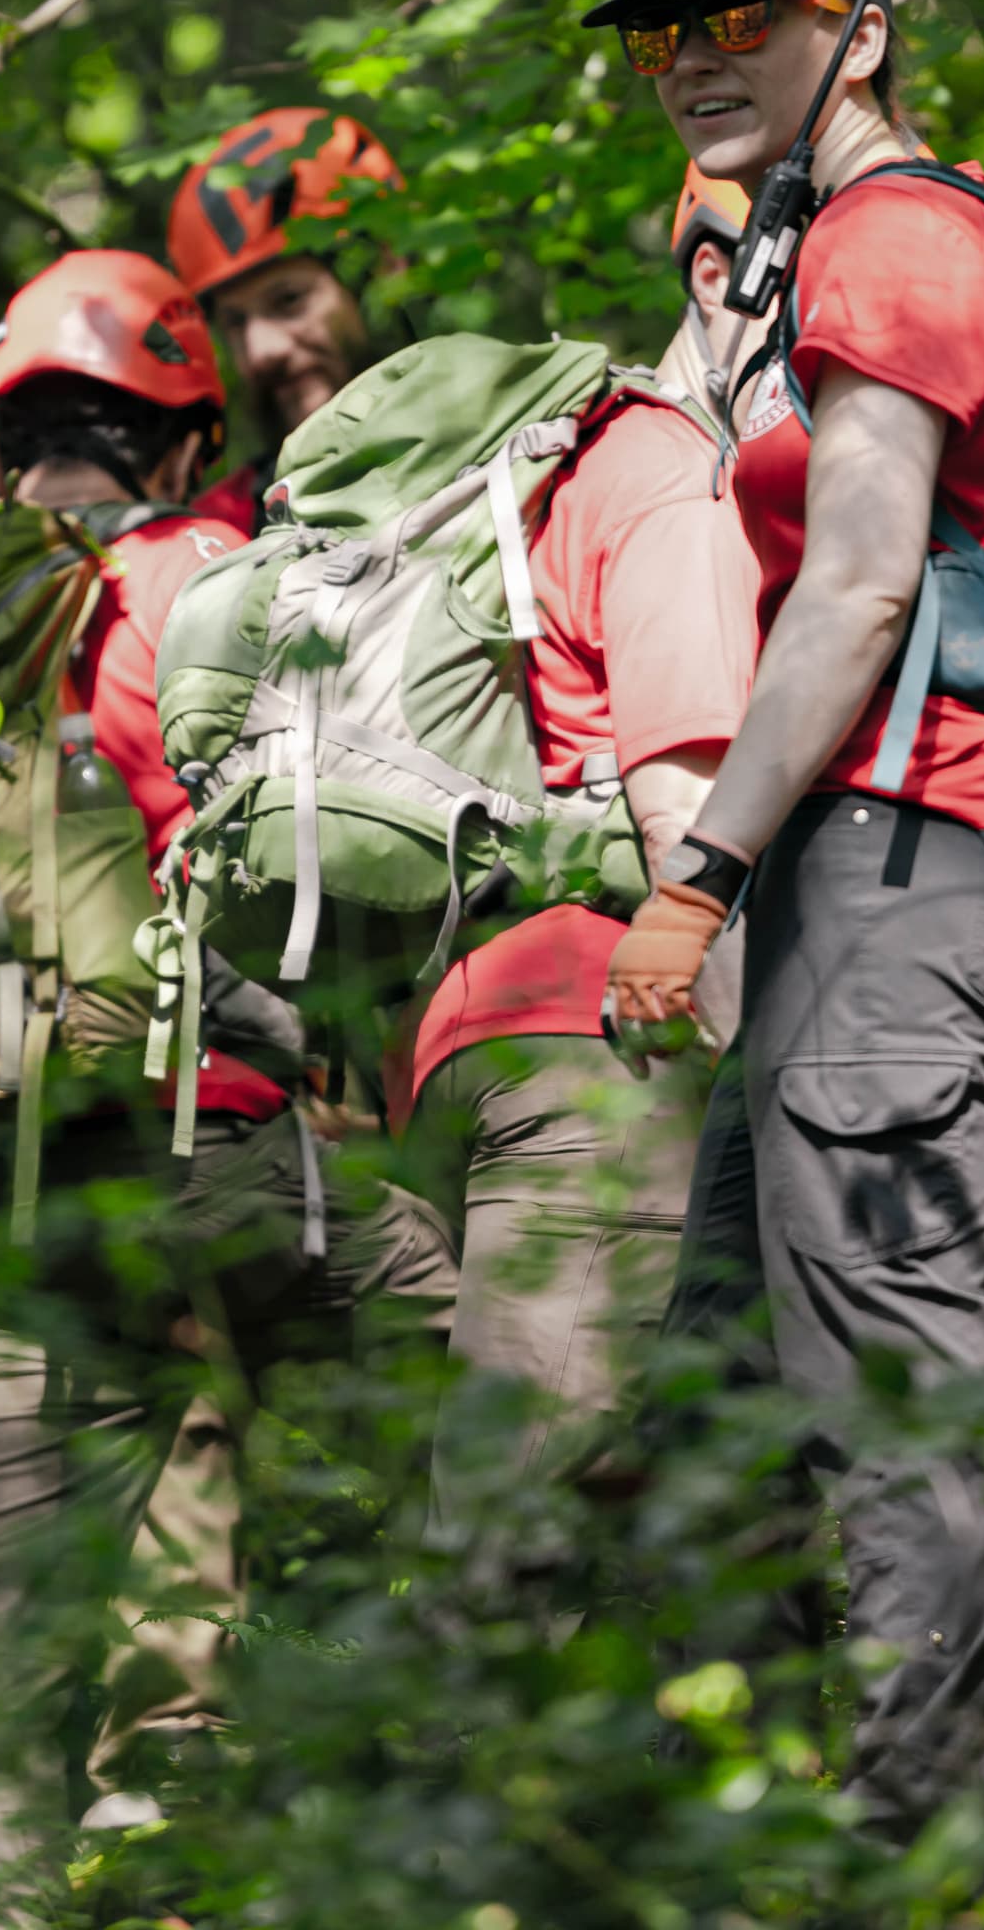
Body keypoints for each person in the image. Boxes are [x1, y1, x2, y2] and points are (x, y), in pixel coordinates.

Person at [594, 0, 984, 1832]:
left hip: (917, 854)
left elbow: (864, 577)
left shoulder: (895, 241)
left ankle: (946, 1835)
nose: (690, 61)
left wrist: (694, 867)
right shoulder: (828, 252)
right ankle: (688, 1824)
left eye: (741, 20)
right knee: (722, 1378)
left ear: (856, 27)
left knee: (893, 1385)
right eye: (660, 31)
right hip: (857, 877)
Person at [0, 248, 433, 1896]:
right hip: (203, 1142)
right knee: (510, 1401)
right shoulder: (201, 569)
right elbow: (289, 852)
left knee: (1, 1625)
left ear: (2, 453)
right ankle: (530, 1800)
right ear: (182, 441)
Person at [395, 164, 762, 1509]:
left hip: (479, 1027)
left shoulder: (572, 456)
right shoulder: (674, 485)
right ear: (718, 274)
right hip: (606, 1046)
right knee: (542, 1517)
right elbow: (686, 813)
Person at [165, 106, 405, 530]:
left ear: (384, 270)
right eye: (236, 322)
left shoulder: (525, 455)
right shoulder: (215, 535)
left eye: (289, 300)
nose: (261, 352)